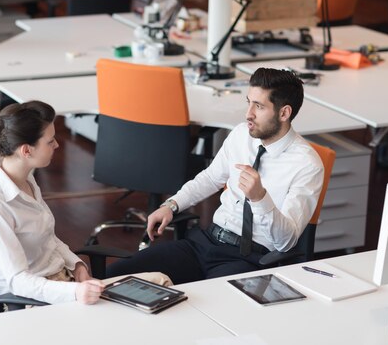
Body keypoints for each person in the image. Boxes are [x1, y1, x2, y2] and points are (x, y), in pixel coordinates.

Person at [106, 68, 325, 284]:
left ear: (284, 113)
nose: (248, 114)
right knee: (116, 275)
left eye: (258, 106)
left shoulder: (307, 165)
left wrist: (260, 199)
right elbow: (210, 178)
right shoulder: (241, 134)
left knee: (201, 306)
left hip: (248, 258)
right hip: (206, 242)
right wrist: (172, 205)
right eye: (248, 102)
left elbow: (286, 243)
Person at [0, 101, 169, 305]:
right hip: (35, 302)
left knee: (161, 282)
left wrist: (77, 266)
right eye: (50, 141)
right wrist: (74, 292)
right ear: (26, 151)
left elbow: (48, 239)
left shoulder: (26, 179)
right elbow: (18, 282)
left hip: (66, 283)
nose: (57, 144)